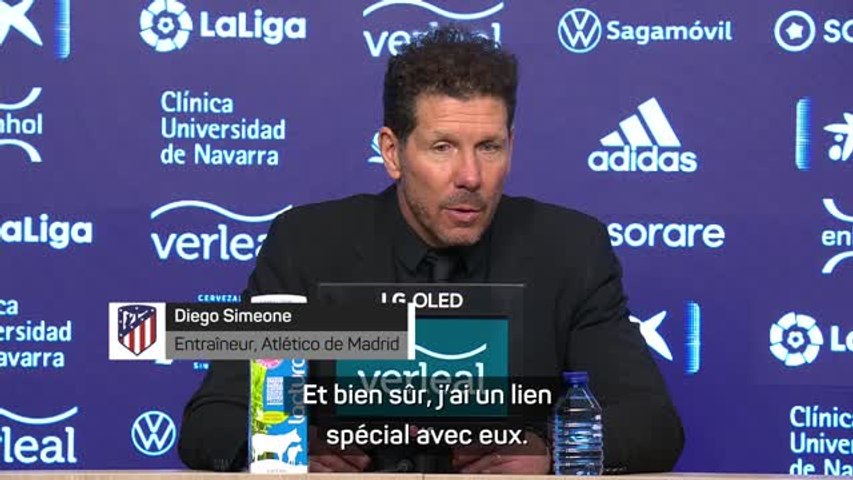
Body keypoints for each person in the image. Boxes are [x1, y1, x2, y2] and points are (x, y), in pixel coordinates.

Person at [178, 24, 684, 474]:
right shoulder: (306, 245)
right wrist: (281, 447)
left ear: (511, 146)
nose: (471, 177)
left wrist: (552, 449)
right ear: (393, 152)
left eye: (489, 147)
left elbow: (652, 424)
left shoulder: (570, 250)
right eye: (442, 147)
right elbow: (212, 421)